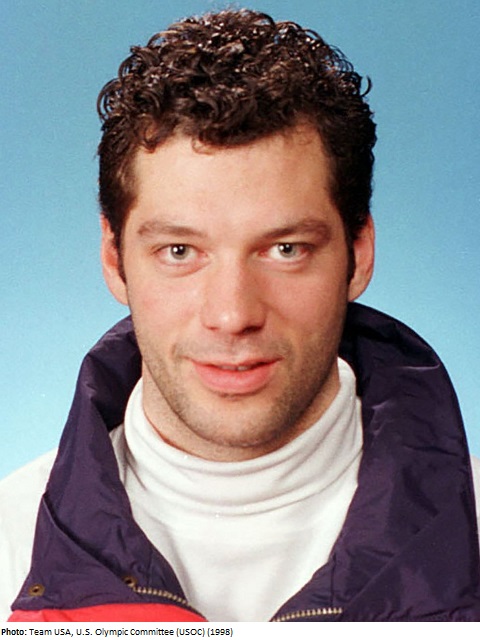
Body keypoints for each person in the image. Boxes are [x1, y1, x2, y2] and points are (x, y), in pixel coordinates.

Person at [1, 8, 479, 623]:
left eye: (286, 250)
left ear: (358, 255)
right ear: (115, 261)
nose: (232, 315)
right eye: (179, 251)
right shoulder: (10, 547)